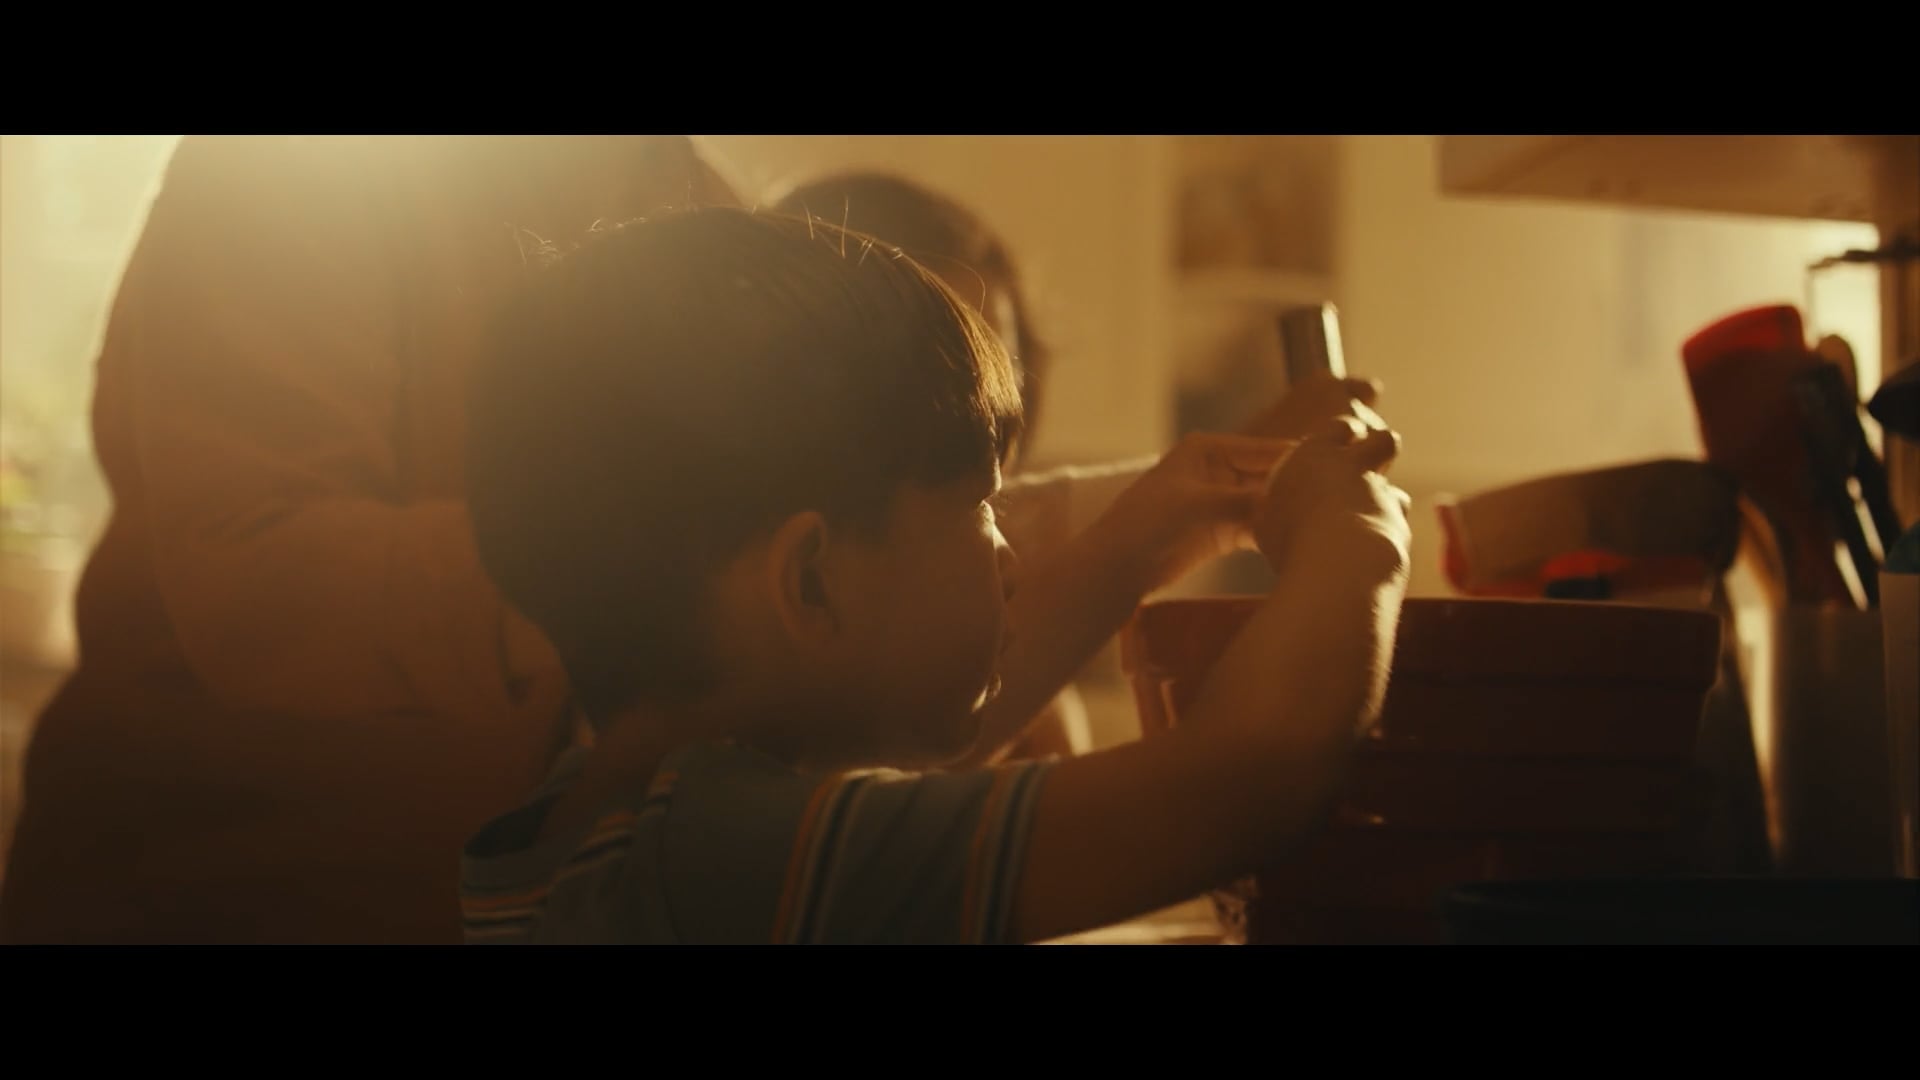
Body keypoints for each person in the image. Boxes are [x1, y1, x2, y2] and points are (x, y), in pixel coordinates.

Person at [457, 206, 1411, 945]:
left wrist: (1140, 543)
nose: (1006, 557)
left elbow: (928, 746)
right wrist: (1356, 540)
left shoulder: (607, 817)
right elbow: (1247, 779)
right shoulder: (731, 855)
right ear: (813, 584)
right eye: (981, 507)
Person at [0, 135, 739, 944]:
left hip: (485, 896)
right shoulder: (288, 170)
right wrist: (657, 588)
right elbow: (259, 579)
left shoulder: (704, 210)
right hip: (205, 887)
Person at [771, 171, 1384, 761]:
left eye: (991, 371)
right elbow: (897, 763)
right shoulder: (770, 669)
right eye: (929, 374)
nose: (974, 414)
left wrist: (1250, 457)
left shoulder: (1039, 691)